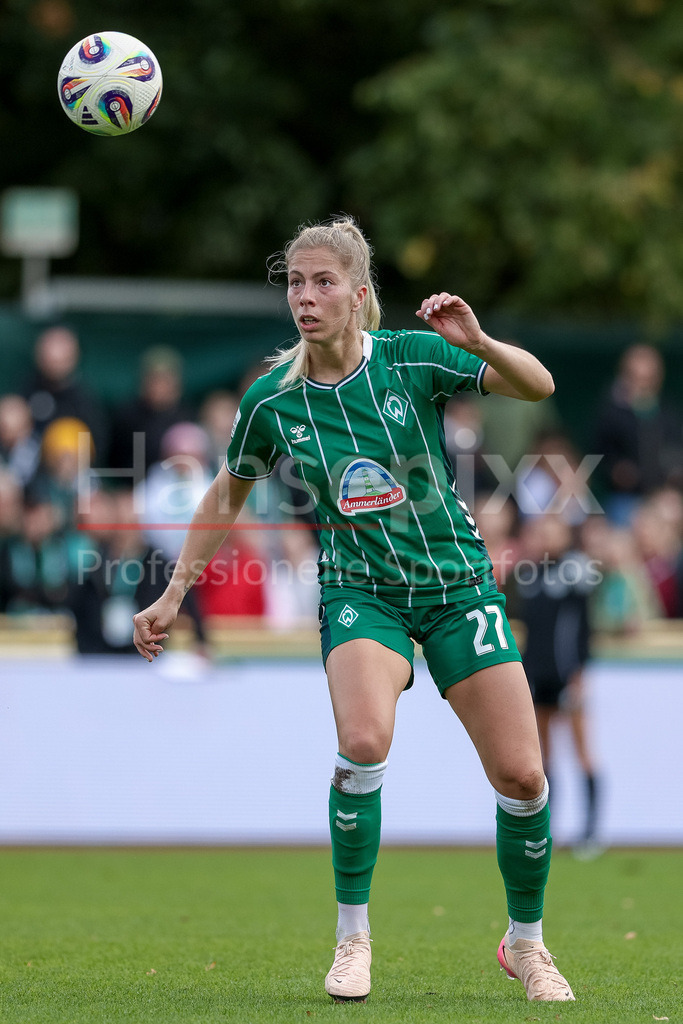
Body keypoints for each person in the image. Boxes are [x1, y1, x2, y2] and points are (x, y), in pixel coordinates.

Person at [133, 217, 574, 1004]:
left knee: (523, 775)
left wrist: (476, 341)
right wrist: (173, 593)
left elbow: (537, 385)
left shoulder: (410, 356)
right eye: (295, 283)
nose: (305, 296)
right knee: (363, 742)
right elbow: (225, 493)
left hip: (456, 588)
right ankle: (352, 938)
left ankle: (526, 944)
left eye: (322, 282)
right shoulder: (273, 399)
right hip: (360, 592)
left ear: (358, 294)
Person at [515, 514, 600, 856]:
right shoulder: (528, 574)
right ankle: (548, 830)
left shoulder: (576, 570)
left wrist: (580, 674)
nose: (545, 536)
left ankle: (590, 834)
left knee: (581, 751)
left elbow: (584, 627)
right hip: (537, 675)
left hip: (567, 674)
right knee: (542, 757)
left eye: (553, 530)